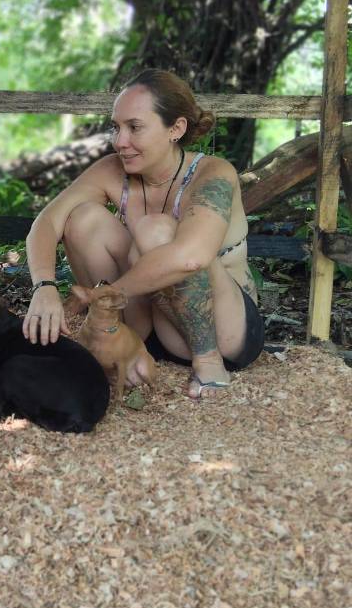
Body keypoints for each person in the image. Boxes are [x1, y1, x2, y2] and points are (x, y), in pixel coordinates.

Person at [22, 69, 264, 399]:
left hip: (224, 332)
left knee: (156, 230)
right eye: (116, 127)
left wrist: (102, 297)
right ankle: (126, 343)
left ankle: (207, 362)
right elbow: (47, 221)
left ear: (175, 129)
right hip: (148, 325)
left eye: (134, 127)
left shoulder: (214, 173)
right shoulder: (111, 169)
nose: (120, 141)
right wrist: (44, 286)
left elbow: (191, 257)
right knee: (81, 219)